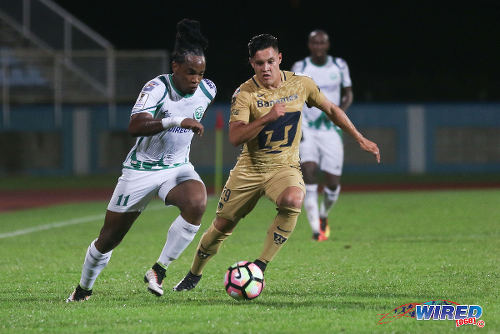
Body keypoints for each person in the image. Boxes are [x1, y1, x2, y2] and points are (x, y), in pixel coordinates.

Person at [172, 33, 379, 291]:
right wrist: (265, 119)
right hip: (250, 169)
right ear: (252, 64)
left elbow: (333, 110)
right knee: (222, 225)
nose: (266, 68)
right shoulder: (245, 93)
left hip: (285, 167)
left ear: (279, 58)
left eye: (270, 61)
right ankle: (194, 274)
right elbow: (235, 137)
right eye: (259, 63)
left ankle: (259, 266)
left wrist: (360, 138)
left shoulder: (301, 84)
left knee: (293, 199)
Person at [66, 18, 216, 301]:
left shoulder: (208, 90)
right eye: (189, 72)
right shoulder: (157, 87)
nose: (196, 79)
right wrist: (175, 120)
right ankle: (83, 290)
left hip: (177, 168)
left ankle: (159, 270)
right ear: (175, 68)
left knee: (197, 202)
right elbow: (135, 126)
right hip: (140, 170)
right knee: (109, 239)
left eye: (200, 72)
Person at [291, 29, 353, 241]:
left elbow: (348, 93)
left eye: (321, 43)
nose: (318, 46)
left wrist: (339, 113)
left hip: (331, 129)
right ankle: (317, 230)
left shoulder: (339, 65)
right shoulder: (301, 67)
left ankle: (324, 214)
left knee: (333, 182)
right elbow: (292, 96)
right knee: (308, 171)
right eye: (314, 43)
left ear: (327, 45)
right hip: (307, 127)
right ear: (310, 45)